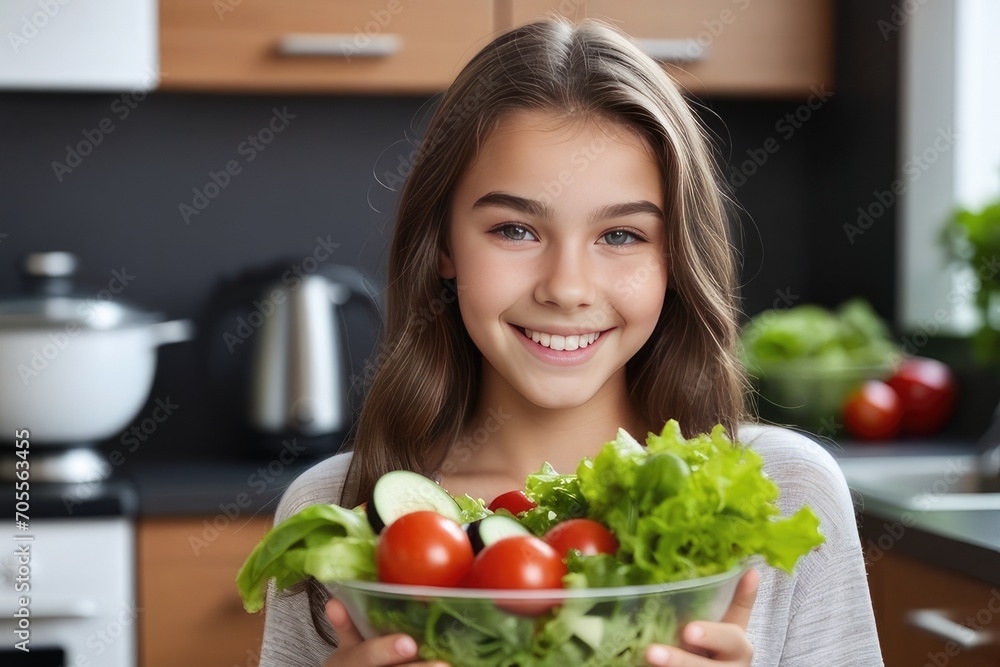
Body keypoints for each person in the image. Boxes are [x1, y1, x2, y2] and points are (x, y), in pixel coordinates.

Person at [258, 17, 883, 667]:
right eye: (515, 230)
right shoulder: (335, 510)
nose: (567, 287)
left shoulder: (786, 490)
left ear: (676, 258)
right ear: (443, 245)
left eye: (621, 236)